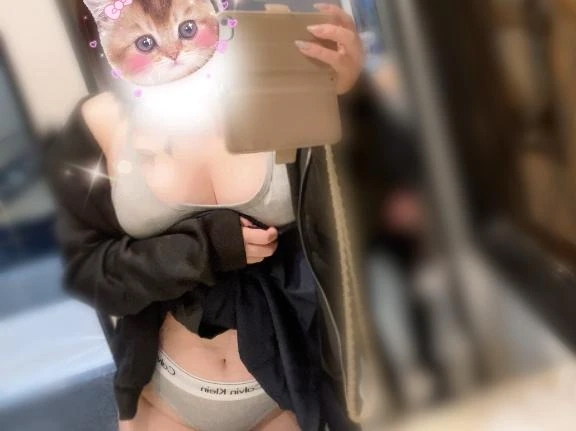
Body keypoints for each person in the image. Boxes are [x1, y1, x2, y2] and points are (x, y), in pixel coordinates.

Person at [42, 1, 415, 430]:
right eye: (145, 42)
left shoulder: (275, 83)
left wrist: (350, 99)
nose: (172, 52)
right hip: (163, 392)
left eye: (186, 29)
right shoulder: (97, 121)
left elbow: (366, 211)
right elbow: (86, 271)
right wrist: (204, 248)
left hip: (289, 383)